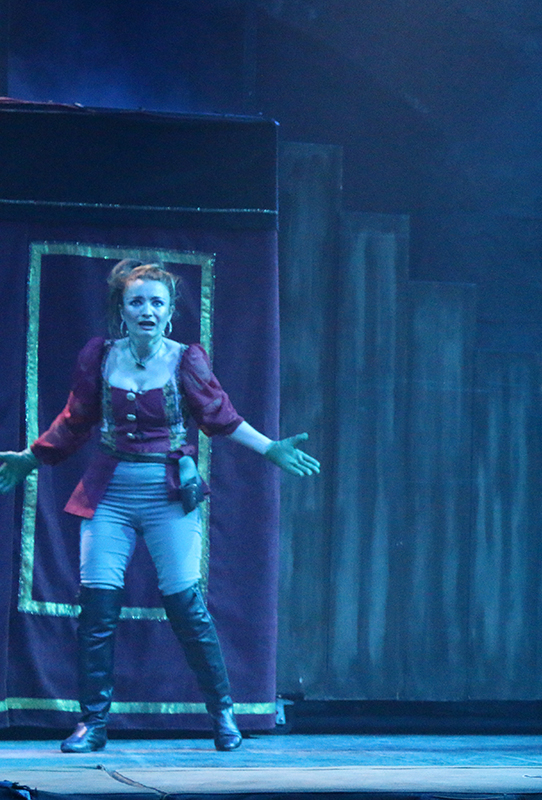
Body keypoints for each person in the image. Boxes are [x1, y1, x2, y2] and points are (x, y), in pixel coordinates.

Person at [0, 259, 320, 754]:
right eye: (137, 302)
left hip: (167, 495)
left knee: (185, 606)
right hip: (109, 494)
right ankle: (92, 723)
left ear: (170, 313)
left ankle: (222, 715)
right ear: (122, 310)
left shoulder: (185, 359)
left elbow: (222, 418)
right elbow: (74, 420)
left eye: (157, 303)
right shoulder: (100, 357)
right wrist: (31, 456)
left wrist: (270, 448)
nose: (146, 310)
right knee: (96, 609)